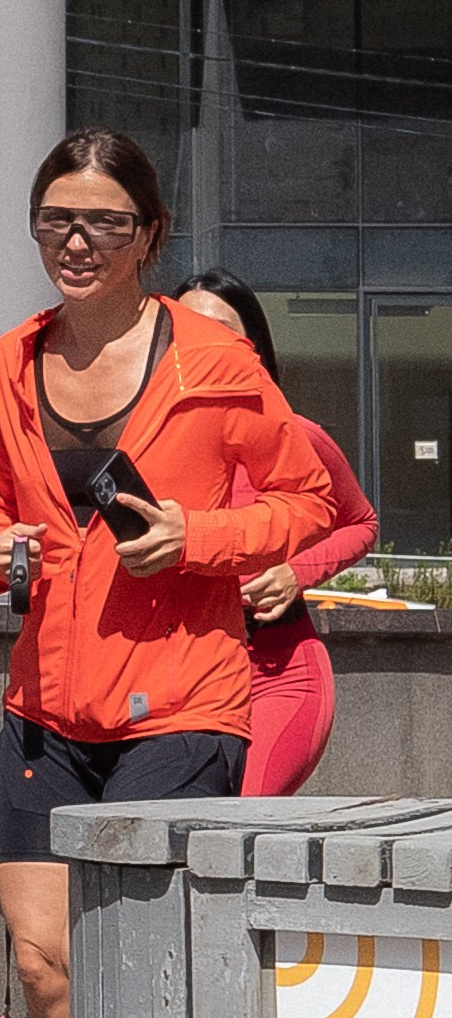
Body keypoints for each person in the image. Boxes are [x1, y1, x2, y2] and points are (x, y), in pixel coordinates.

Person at [0, 131, 334, 1018]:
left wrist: (196, 537)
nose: (77, 241)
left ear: (150, 235)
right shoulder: (5, 364)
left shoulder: (216, 360)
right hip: (44, 707)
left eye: (104, 222)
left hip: (180, 703)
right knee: (43, 963)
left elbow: (309, 501)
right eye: (57, 220)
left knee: (141, 957)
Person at [176, 273, 376, 799]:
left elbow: (361, 523)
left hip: (279, 677)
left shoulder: (294, 435)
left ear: (255, 349)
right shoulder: (149, 449)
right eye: (186, 330)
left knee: (231, 825)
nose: (202, 345)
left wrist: (294, 572)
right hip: (182, 685)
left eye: (220, 331)